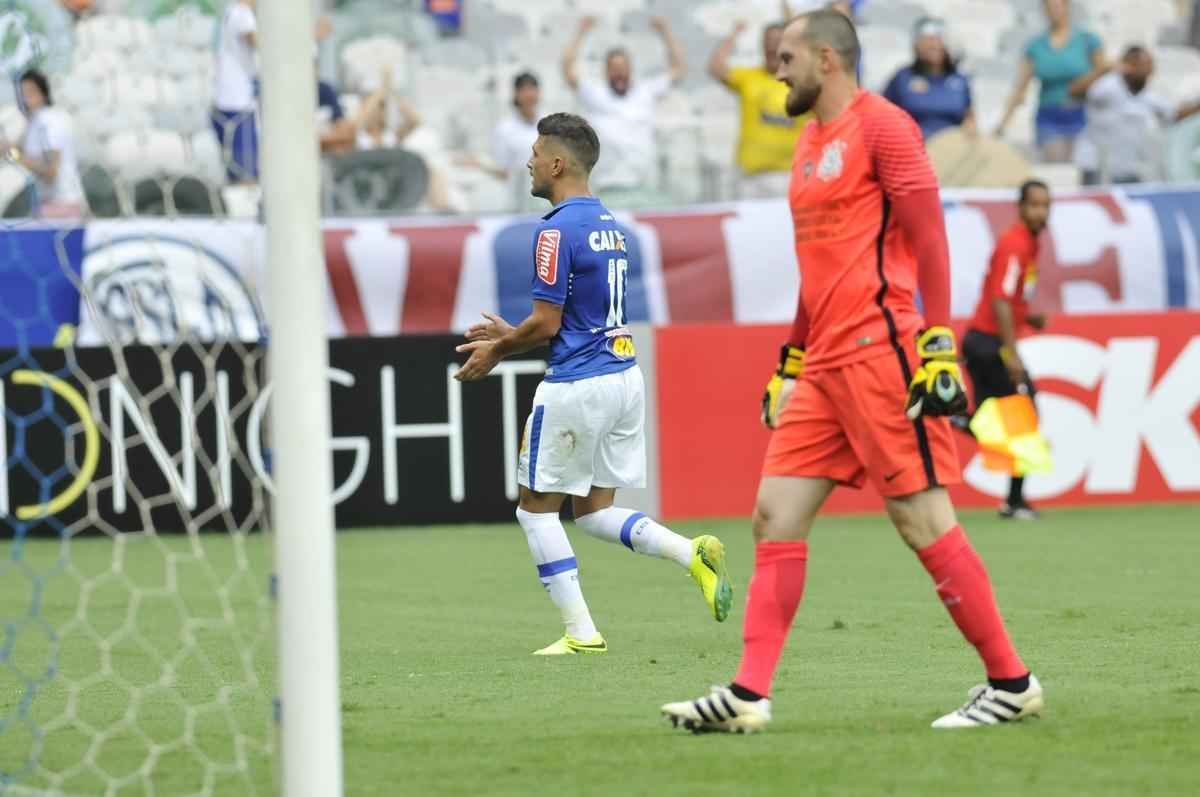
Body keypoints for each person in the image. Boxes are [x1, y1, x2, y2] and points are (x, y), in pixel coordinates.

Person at [661, 9, 1041, 733]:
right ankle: (747, 694)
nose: (777, 71)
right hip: (826, 361)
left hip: (882, 349)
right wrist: (792, 357)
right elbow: (817, 269)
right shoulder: (806, 144)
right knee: (774, 513)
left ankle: (1010, 680)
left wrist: (935, 343)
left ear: (828, 60)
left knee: (919, 516)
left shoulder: (886, 126)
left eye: (787, 59)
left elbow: (929, 232)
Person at [453, 113, 732, 655]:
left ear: (557, 163)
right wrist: (519, 333)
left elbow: (550, 324)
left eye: (535, 153)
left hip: (577, 385)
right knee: (595, 512)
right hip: (623, 377)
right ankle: (689, 552)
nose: (528, 163)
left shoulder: (555, 230)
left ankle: (581, 632)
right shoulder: (611, 225)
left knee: (534, 508)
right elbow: (577, 319)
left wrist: (499, 348)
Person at [962, 181, 1051, 519]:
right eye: (1034, 205)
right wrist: (1010, 352)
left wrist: (1029, 317)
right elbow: (999, 298)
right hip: (989, 344)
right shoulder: (1015, 244)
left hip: (985, 341)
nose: (1040, 212)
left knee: (1003, 420)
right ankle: (1014, 502)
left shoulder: (1029, 242)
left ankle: (946, 416)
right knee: (1025, 415)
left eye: (1045, 205)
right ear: (1020, 207)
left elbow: (1009, 297)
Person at [561, 15, 685, 203]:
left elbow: (678, 69)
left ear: (630, 70)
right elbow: (568, 70)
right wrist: (581, 33)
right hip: (608, 189)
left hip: (644, 187)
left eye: (623, 68)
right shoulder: (596, 95)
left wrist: (665, 32)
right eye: (614, 68)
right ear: (606, 71)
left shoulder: (645, 92)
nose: (619, 72)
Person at [708, 21, 810, 198]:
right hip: (750, 178)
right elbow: (715, 68)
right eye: (767, 40)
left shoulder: (805, 84)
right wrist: (734, 34)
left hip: (790, 176)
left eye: (777, 40)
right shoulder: (750, 77)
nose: (771, 45)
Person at [996, 0, 1105, 163]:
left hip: (1083, 114)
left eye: (1057, 6)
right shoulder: (1035, 46)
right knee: (1058, 170)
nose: (1054, 11)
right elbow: (1020, 88)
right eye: (1049, 7)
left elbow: (1103, 70)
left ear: (1067, 7)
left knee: (1084, 171)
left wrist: (1080, 85)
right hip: (1050, 116)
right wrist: (1003, 123)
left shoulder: (1087, 40)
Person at [1075, 46, 1200, 184]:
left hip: (1128, 168)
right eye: (1144, 64)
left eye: (1151, 65)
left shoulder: (1147, 96)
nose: (1150, 70)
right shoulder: (1107, 87)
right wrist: (1108, 68)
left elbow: (1174, 114)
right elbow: (1077, 92)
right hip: (1098, 167)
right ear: (1129, 65)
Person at [883, 17, 975, 141]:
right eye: (929, 40)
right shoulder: (902, 77)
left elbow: (969, 118)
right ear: (916, 45)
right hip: (911, 147)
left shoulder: (960, 80)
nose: (935, 44)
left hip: (951, 149)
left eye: (939, 39)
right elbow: (883, 114)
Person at [9, 69, 85, 218]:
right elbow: (13, 148)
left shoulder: (50, 121)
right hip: (48, 205)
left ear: (43, 93)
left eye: (29, 93)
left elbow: (51, 172)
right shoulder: (33, 122)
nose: (24, 100)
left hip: (63, 207)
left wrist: (15, 156)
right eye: (21, 94)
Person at [461, 72, 542, 211]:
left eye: (532, 89)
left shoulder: (548, 124)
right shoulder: (504, 129)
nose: (529, 95)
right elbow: (501, 170)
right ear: (516, 94)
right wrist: (481, 165)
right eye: (524, 90)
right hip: (518, 199)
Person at [212, 0, 259, 184]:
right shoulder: (242, 13)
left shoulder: (230, 11)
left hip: (227, 98)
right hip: (238, 102)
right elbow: (258, 42)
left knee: (236, 170)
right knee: (246, 171)